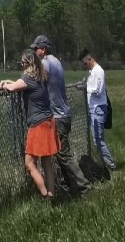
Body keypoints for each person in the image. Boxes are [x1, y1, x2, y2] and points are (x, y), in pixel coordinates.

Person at [30, 35, 90, 197]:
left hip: (57, 116)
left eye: (36, 49)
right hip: (64, 113)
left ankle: (83, 186)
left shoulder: (45, 63)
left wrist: (13, 84)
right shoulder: (56, 61)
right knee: (59, 153)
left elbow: (32, 80)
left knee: (64, 154)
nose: (34, 52)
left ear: (43, 49)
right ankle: (70, 186)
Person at [0, 49, 59, 199]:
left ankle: (44, 194)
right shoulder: (41, 76)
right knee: (46, 161)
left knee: (29, 164)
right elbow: (21, 84)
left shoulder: (28, 78)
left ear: (27, 64)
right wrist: (10, 81)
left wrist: (2, 84)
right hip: (49, 121)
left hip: (38, 124)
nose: (21, 66)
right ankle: (51, 193)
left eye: (22, 63)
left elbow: (14, 87)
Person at [80, 48, 116, 171]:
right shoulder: (92, 72)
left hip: (98, 109)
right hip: (94, 109)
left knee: (98, 140)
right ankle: (106, 163)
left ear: (90, 59)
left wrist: (85, 88)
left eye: (85, 63)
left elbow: (97, 90)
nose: (85, 66)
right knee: (97, 139)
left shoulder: (98, 71)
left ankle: (110, 166)